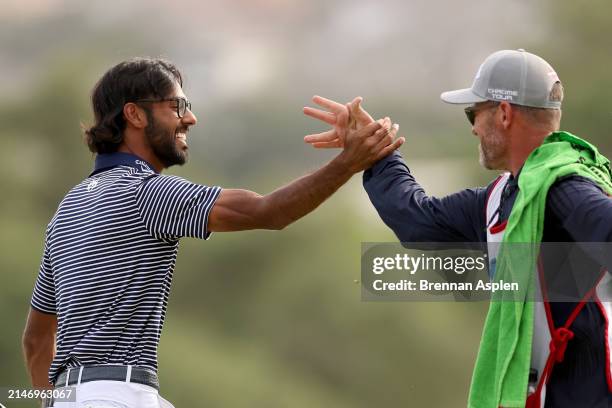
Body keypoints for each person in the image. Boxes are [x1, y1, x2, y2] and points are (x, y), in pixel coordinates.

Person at [22, 57, 404, 408]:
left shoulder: (67, 208)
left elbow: (37, 342)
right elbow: (268, 211)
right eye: (178, 107)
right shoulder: (146, 192)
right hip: (118, 395)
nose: (191, 119)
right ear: (134, 115)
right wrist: (349, 162)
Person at [304, 49, 612, 407]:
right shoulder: (506, 196)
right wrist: (377, 153)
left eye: (474, 113)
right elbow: (418, 223)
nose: (473, 127)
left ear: (504, 113)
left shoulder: (564, 188)